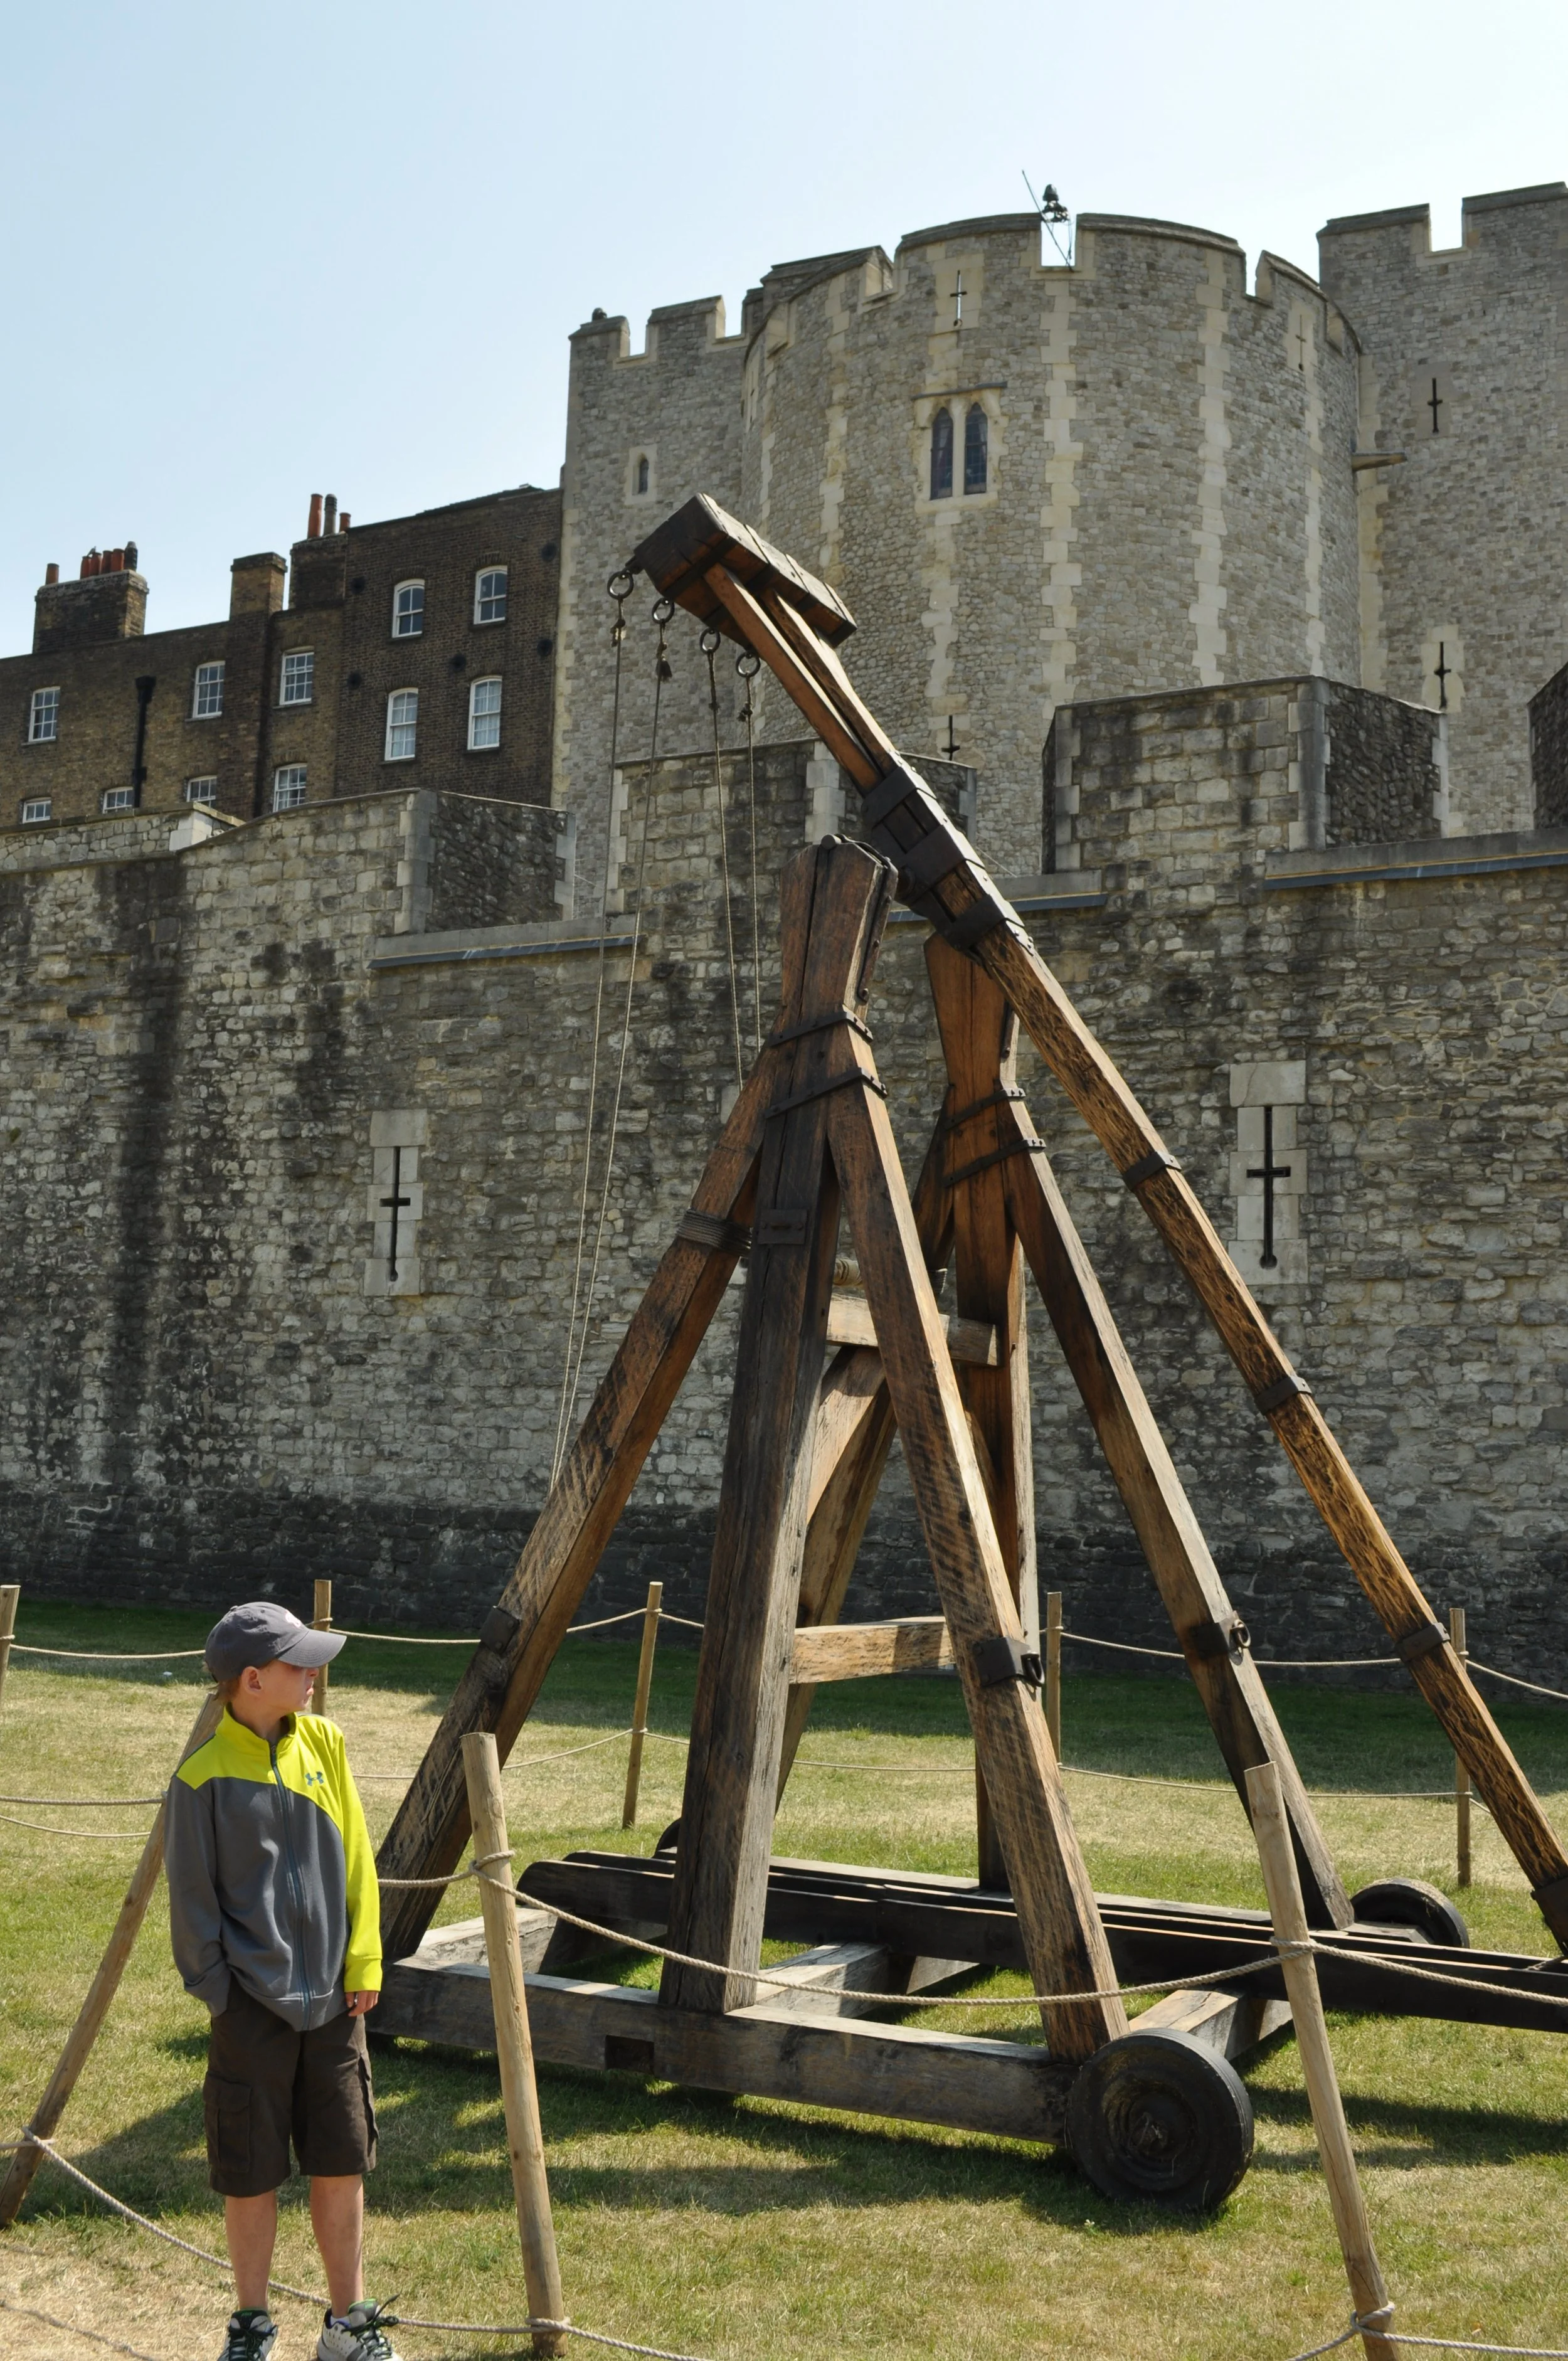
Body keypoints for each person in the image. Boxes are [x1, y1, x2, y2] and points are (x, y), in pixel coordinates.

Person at [165, 1601, 401, 2361]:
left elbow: (360, 1856)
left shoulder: (327, 1745)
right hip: (249, 2009)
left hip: (337, 2001)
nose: (313, 1674)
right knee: (251, 2168)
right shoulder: (199, 1777)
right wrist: (220, 1992)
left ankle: (348, 2324)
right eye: (300, 1664)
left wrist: (362, 1961)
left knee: (342, 2158)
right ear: (253, 1679)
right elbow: (191, 1901)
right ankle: (252, 2322)